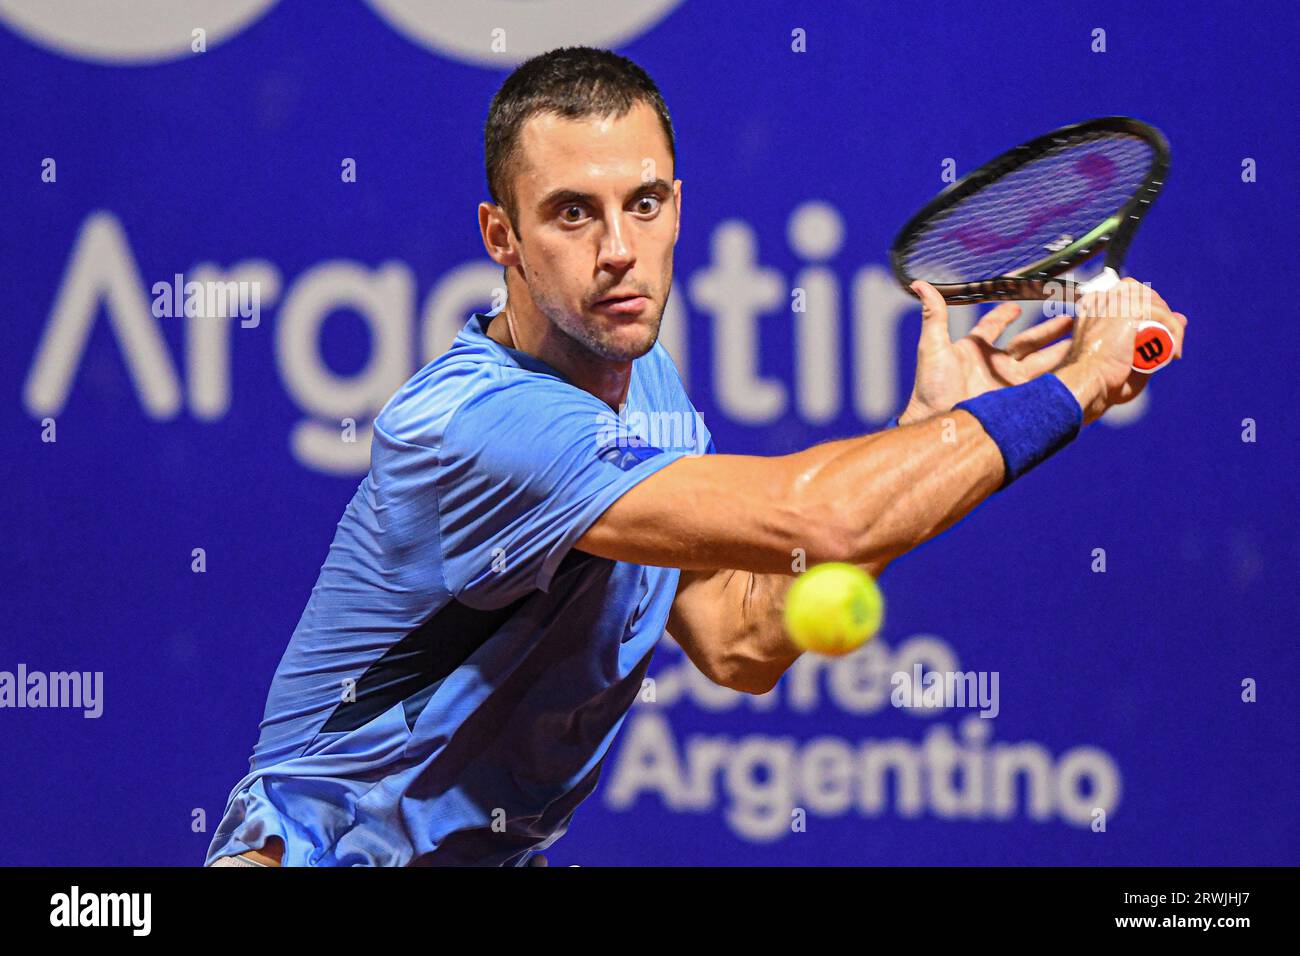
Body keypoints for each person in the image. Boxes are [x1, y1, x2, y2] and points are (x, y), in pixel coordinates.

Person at [206, 46, 1186, 867]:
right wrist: (1074, 383)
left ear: (679, 206)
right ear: (500, 235)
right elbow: (821, 517)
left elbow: (738, 637)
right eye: (571, 212)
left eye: (642, 203)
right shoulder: (481, 423)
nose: (619, 248)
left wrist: (925, 425)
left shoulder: (649, 386)